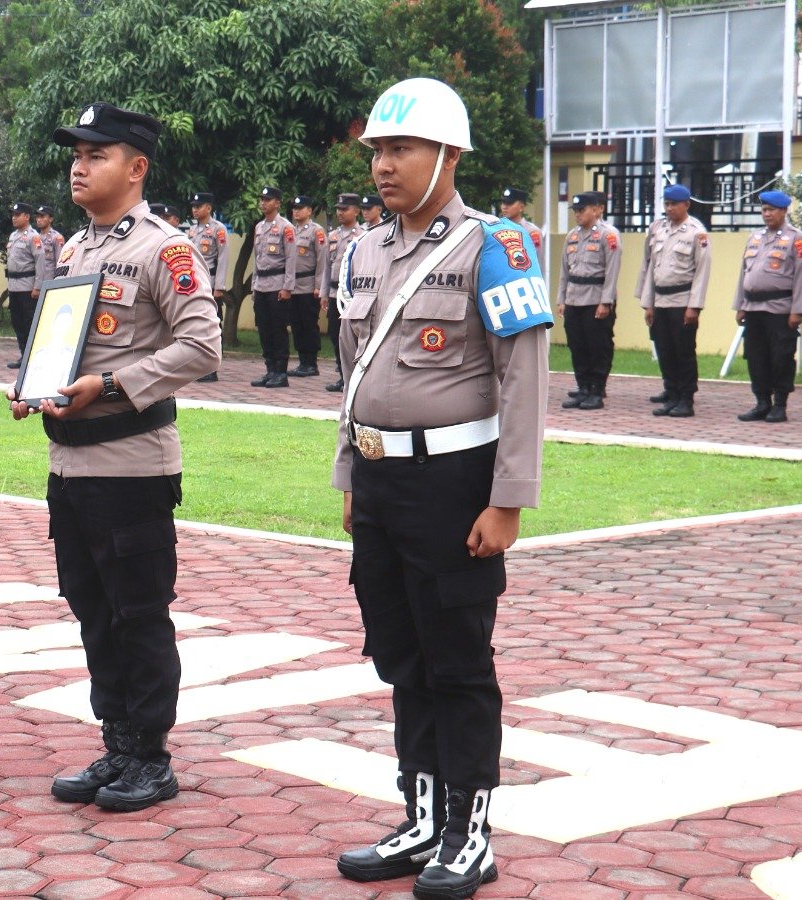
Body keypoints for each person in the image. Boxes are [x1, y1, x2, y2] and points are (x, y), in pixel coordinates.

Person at [331, 77, 551, 900]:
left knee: (458, 659)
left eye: (403, 149)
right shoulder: (360, 250)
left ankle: (472, 832)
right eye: (380, 151)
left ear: (448, 155)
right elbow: (353, 375)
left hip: (456, 483)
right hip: (380, 479)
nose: (385, 165)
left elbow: (522, 377)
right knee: (401, 654)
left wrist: (508, 499)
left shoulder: (496, 245)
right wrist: (350, 469)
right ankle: (422, 816)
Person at [8, 101, 221, 812]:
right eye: (75, 152)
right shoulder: (75, 250)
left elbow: (201, 345)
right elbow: (61, 345)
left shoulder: (165, 249)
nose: (78, 164)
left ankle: (151, 757)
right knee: (91, 610)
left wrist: (113, 384)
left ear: (135, 168)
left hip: (131, 464)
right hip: (70, 464)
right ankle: (118, 741)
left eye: (96, 154)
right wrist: (33, 388)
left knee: (138, 613)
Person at [732, 190, 802, 423]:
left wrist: (797, 310)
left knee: (781, 357)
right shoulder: (755, 237)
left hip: (780, 309)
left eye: (771, 210)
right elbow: (744, 273)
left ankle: (780, 405)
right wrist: (740, 305)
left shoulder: (797, 239)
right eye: (764, 210)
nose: (766, 214)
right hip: (754, 308)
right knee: (756, 357)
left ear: (784, 211)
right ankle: (762, 402)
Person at [637, 184, 712, 417]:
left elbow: (702, 271)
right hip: (660, 300)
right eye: (666, 204)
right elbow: (650, 267)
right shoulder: (659, 229)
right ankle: (671, 394)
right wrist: (649, 303)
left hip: (682, 301)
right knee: (665, 350)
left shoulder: (696, 232)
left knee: (683, 352)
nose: (669, 209)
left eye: (673, 204)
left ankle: (686, 399)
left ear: (686, 205)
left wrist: (694, 306)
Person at [557, 192, 622, 410]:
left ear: (597, 209)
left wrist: (606, 302)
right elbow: (564, 271)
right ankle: (583, 387)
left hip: (595, 299)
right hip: (574, 297)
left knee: (598, 346)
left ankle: (596, 389)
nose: (577, 214)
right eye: (575, 210)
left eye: (581, 210)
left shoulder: (608, 235)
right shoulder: (572, 236)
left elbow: (612, 272)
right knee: (577, 345)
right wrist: (562, 298)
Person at [250, 186, 295, 387]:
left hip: (277, 285)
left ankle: (281, 372)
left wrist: (287, 287)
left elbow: (291, 258)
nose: (263, 203)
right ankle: (269, 369)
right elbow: (257, 259)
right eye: (262, 199)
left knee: (278, 329)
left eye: (268, 200)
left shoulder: (286, 227)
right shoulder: (259, 227)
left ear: (277, 203)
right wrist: (253, 286)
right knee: (264, 329)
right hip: (261, 284)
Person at [322, 192, 363, 392]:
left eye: (345, 209)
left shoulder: (363, 235)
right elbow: (326, 268)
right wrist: (323, 294)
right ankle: (341, 374)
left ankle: (353, 375)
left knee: (352, 336)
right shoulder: (333, 236)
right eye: (338, 209)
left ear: (356, 211)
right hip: (333, 292)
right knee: (334, 334)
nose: (340, 213)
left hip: (352, 294)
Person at [189, 192, 229, 382]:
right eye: (194, 206)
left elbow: (223, 258)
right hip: (194, 283)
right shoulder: (192, 230)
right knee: (196, 324)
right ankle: (200, 366)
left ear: (209, 208)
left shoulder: (218, 229)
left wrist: (219, 286)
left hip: (210, 282)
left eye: (199, 206)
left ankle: (212, 368)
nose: (195, 209)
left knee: (212, 325)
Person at [286, 194, 328, 377]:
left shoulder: (316, 231)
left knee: (309, 324)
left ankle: (311, 363)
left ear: (309, 211)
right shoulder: (290, 231)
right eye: (294, 208)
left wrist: (319, 285)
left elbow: (322, 260)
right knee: (296, 324)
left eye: (300, 208)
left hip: (309, 285)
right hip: (293, 285)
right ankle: (302, 361)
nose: (296, 211)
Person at [6, 202, 43, 368]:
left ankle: (31, 357)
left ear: (27, 217)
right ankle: (23, 355)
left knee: (29, 323)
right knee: (17, 322)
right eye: (13, 214)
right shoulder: (13, 236)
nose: (14, 217)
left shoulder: (33, 237)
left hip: (28, 287)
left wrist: (37, 286)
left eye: (17, 214)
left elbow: (40, 262)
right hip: (14, 286)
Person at [498, 188, 544, 258]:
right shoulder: (497, 229)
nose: (504, 207)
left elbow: (538, 260)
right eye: (503, 202)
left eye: (509, 203)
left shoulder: (531, 231)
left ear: (521, 207)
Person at [37, 204, 67, 280]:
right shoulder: (36, 238)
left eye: (42, 216)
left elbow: (60, 262)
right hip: (36, 280)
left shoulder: (56, 237)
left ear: (50, 219)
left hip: (50, 279)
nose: (39, 219)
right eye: (38, 217)